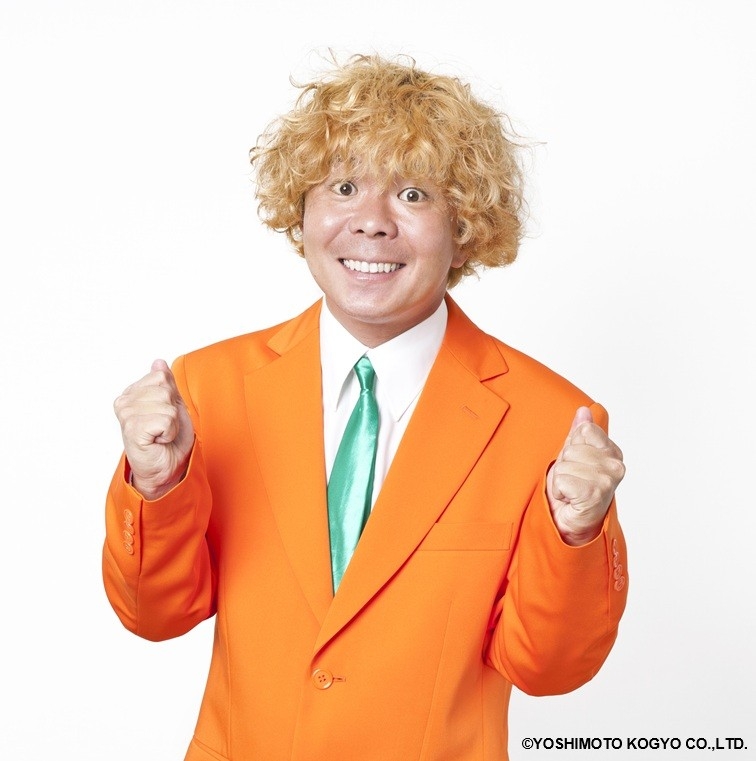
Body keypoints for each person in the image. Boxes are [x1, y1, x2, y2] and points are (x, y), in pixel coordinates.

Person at [103, 53, 628, 761]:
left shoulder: (550, 421)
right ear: (303, 210)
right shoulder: (208, 387)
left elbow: (550, 668)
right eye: (345, 186)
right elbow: (157, 616)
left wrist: (577, 532)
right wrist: (156, 485)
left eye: (413, 194)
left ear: (465, 226)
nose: (372, 223)